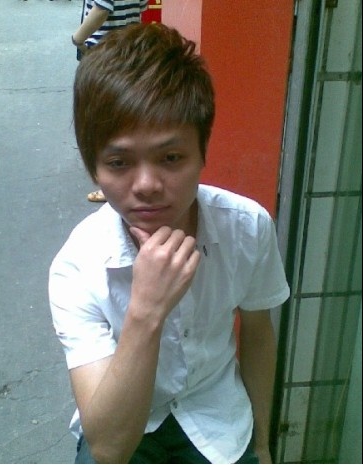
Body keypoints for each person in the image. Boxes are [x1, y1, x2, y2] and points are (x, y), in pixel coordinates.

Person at [49, 23, 290, 464]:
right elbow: (109, 449)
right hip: (124, 421)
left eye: (171, 157)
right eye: (119, 162)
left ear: (202, 153)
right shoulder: (77, 267)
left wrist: (262, 441)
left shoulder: (247, 228)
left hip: (220, 421)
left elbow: (258, 333)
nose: (146, 185)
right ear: (93, 168)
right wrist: (146, 310)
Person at [71, 0, 148, 203]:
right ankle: (127, 177)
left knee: (104, 122)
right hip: (129, 52)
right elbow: (141, 9)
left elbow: (101, 10)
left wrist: (77, 39)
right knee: (123, 117)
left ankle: (114, 185)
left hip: (105, 56)